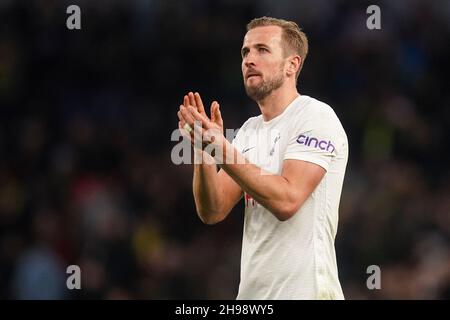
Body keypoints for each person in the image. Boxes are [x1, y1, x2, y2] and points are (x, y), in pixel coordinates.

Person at [177, 17, 348, 300]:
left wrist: (221, 149)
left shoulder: (315, 117)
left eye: (262, 50)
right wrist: (204, 151)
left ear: (292, 65)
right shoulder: (249, 131)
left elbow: (287, 200)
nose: (249, 60)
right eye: (245, 52)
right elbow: (212, 210)